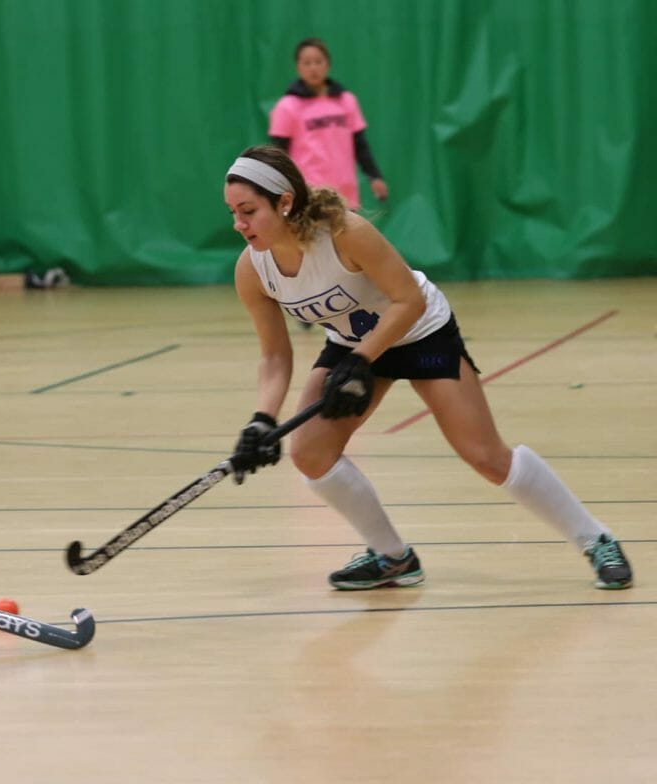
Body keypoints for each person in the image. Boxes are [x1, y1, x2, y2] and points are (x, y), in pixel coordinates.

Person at [224, 145, 632, 591]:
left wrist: (363, 360)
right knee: (309, 452)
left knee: (486, 457)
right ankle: (392, 558)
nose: (239, 224)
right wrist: (261, 420)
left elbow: (409, 301)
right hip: (353, 345)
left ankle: (597, 538)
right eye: (233, 213)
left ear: (284, 203)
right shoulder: (252, 269)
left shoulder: (344, 233)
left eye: (249, 211)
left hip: (420, 333)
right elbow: (275, 355)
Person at [268, 38, 388, 211]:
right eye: (307, 63)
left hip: (346, 195)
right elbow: (278, 154)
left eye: (318, 61)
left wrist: (374, 177)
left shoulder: (347, 101)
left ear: (328, 64)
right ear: (298, 67)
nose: (313, 68)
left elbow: (360, 146)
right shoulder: (287, 106)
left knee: (345, 239)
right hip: (310, 195)